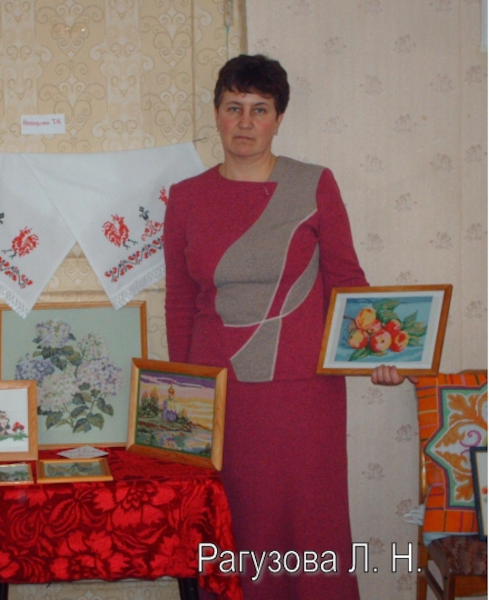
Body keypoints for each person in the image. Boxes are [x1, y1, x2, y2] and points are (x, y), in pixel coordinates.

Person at [164, 54, 406, 600]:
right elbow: (180, 302)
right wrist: (184, 394)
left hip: (305, 393)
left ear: (278, 119)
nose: (245, 122)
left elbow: (347, 282)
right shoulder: (185, 197)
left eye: (260, 109)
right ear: (216, 114)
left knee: (312, 530)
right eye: (234, 107)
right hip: (222, 397)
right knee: (235, 531)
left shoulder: (315, 184)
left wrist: (382, 357)